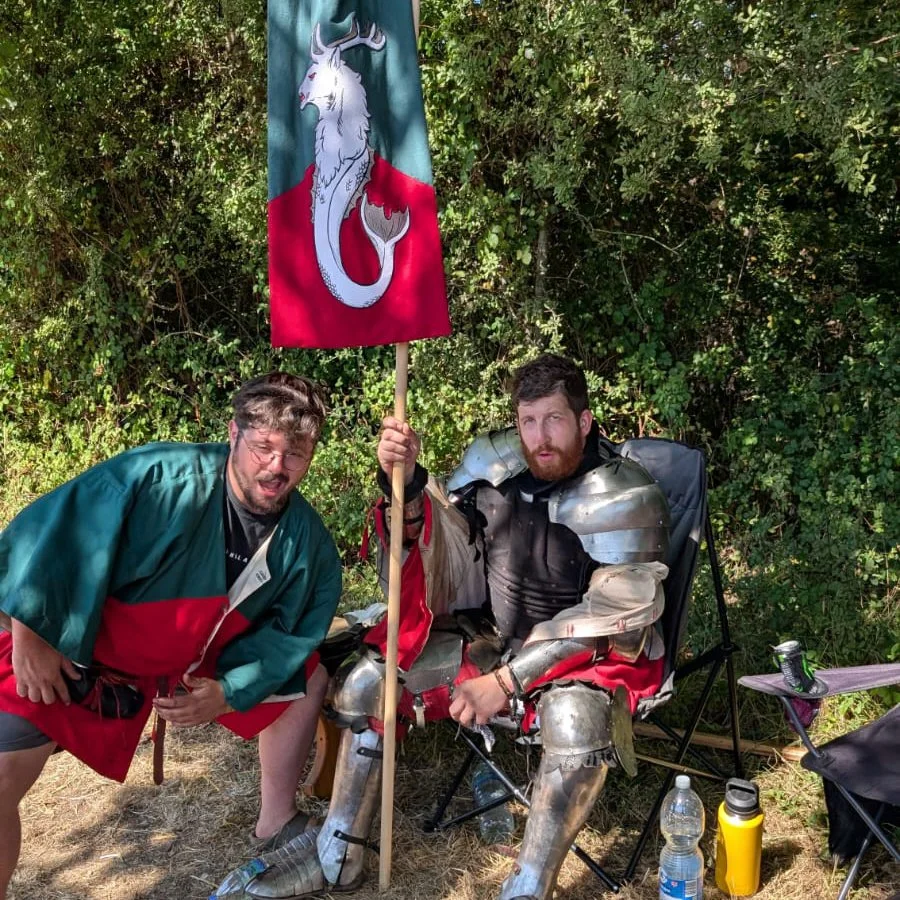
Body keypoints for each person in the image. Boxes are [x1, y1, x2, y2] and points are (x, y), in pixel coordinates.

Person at [215, 354, 670, 900]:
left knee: (572, 720)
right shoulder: (496, 461)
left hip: (586, 664)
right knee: (367, 681)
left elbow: (611, 624)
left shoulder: (627, 494)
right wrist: (404, 485)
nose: (538, 438)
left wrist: (502, 685)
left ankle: (529, 886)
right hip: (495, 639)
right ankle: (339, 856)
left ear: (585, 421)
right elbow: (448, 552)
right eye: (528, 420)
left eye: (553, 420)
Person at [0, 372, 343, 900]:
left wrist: (229, 691)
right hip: (82, 652)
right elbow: (50, 530)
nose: (276, 467)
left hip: (193, 658)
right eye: (264, 447)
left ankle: (276, 822)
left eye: (295, 453)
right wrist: (31, 633)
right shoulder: (159, 479)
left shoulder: (307, 543)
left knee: (306, 677)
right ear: (234, 433)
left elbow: (291, 634)